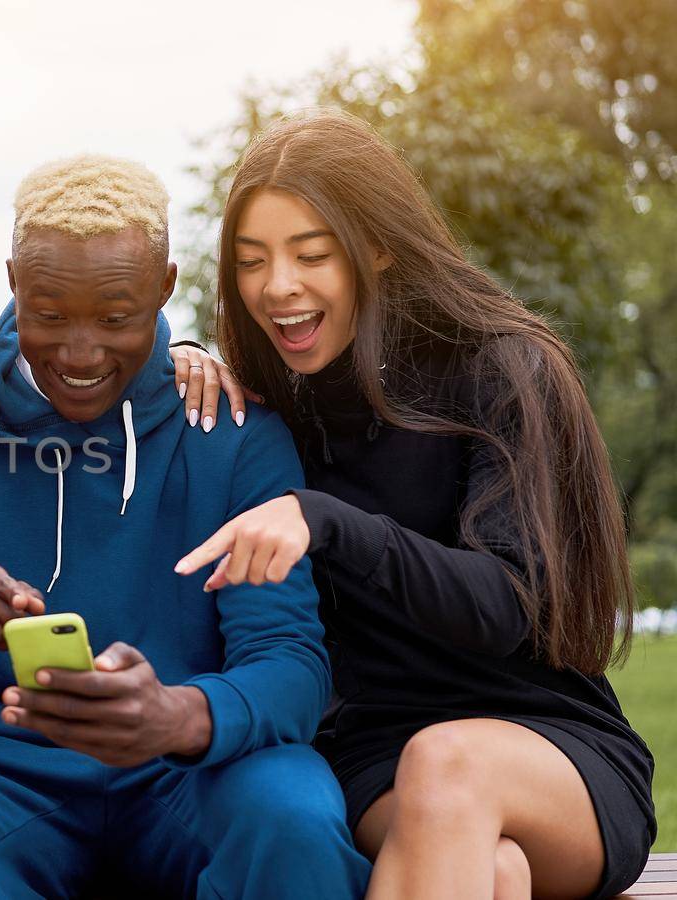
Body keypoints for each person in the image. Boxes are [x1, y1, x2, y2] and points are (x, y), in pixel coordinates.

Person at [0, 155, 371, 899]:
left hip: (195, 766)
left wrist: (179, 715)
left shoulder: (235, 434)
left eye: (117, 318)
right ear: (15, 280)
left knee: (292, 814)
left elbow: (290, 665)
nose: (80, 354)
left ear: (165, 287)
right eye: (49, 315)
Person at [172, 108, 655, 899]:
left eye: (311, 254)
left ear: (379, 247)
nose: (276, 286)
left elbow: (509, 606)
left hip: (553, 751)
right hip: (375, 755)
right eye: (251, 261)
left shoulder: (503, 368)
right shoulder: (273, 411)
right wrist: (182, 354)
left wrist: (328, 523)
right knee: (491, 872)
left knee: (449, 765)